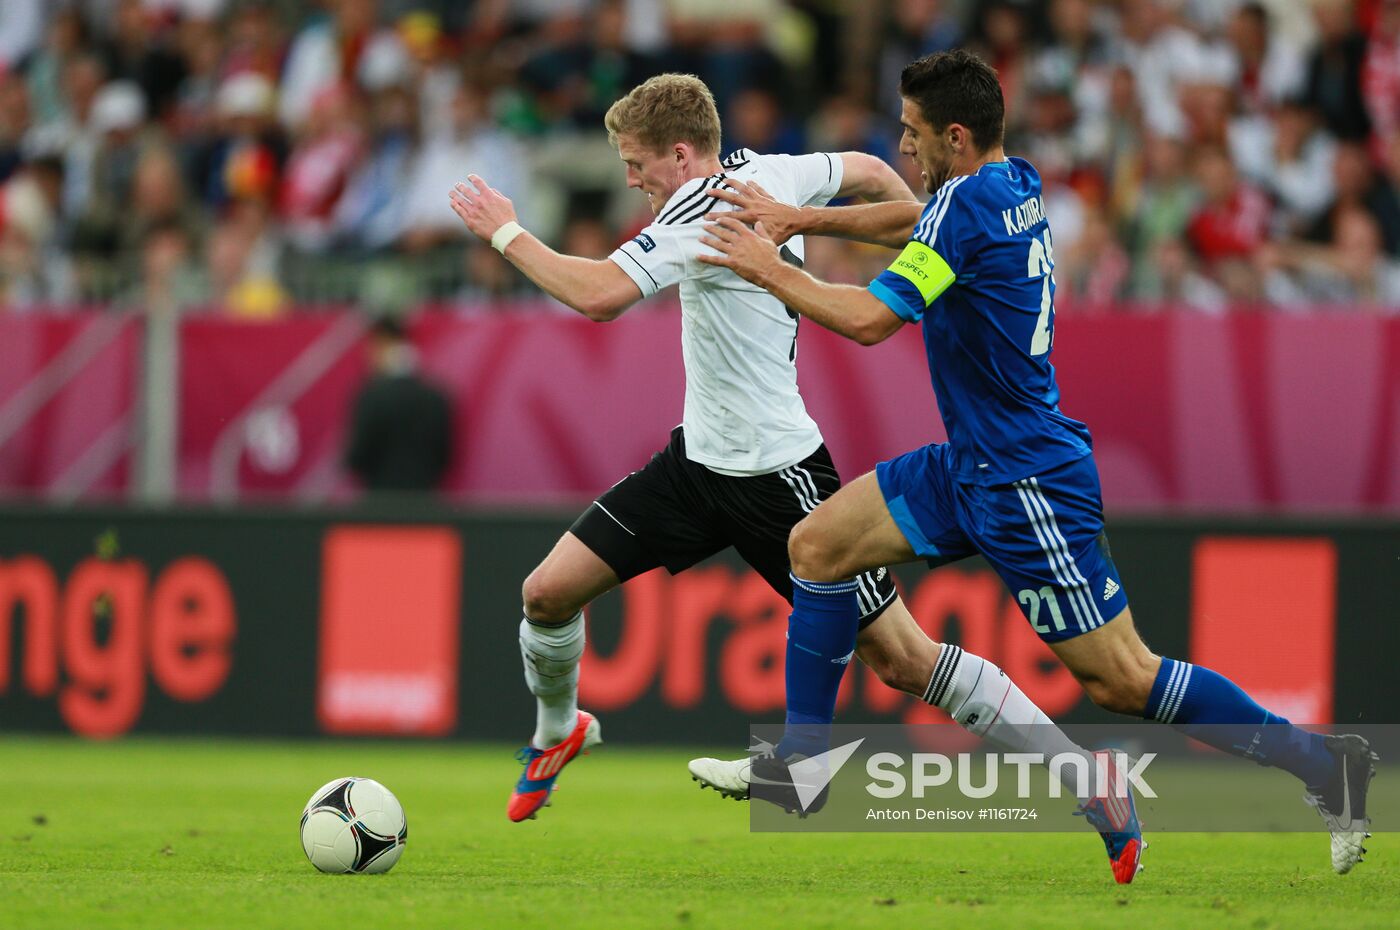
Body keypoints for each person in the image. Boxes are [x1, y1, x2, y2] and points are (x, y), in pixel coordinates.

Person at [693, 49, 1376, 880]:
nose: (902, 147)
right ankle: (802, 766)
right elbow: (917, 218)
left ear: (954, 136)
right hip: (970, 465)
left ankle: (1324, 765)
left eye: (912, 133)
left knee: (1123, 680)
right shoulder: (1009, 181)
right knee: (817, 546)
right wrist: (803, 220)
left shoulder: (966, 205)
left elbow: (872, 320)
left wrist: (768, 266)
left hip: (1027, 482)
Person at [447, 74, 1108, 858]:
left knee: (905, 660)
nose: (630, 179)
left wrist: (506, 233)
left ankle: (1081, 775)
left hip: (779, 475)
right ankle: (559, 731)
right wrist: (921, 223)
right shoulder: (771, 172)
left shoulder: (701, 211)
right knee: (546, 594)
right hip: (695, 465)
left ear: (681, 156)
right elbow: (867, 170)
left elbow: (598, 295)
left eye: (636, 163)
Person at [343, 316, 454, 493]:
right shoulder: (436, 397)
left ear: (383, 343)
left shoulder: (371, 396)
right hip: (425, 501)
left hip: (380, 501)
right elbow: (445, 456)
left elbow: (356, 457)